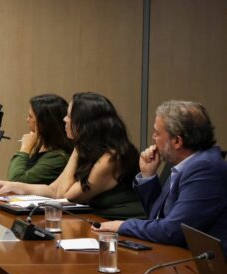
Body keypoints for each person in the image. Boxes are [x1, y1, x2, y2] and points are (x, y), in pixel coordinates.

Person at [0, 92, 144, 220]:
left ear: (84, 123)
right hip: (101, 222)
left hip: (124, 228)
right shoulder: (88, 150)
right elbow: (52, 189)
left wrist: (77, 147)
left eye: (70, 116)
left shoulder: (111, 158)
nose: (64, 119)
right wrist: (13, 186)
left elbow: (66, 195)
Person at [95, 101, 227, 246]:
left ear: (177, 141)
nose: (153, 137)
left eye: (157, 133)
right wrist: (148, 175)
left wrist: (122, 225)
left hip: (202, 264)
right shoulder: (186, 162)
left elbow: (173, 231)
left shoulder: (205, 169)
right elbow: (159, 217)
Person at [6, 94, 72, 184]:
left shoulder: (58, 157)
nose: (27, 120)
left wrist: (24, 149)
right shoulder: (42, 145)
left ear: (44, 122)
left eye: (30, 116)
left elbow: (16, 180)